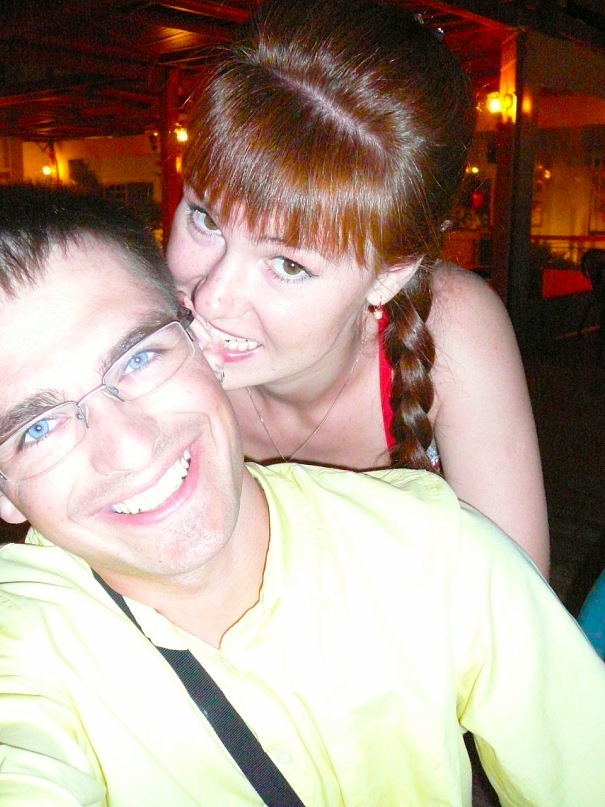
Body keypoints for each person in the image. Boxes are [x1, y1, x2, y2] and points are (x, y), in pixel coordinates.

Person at [1, 184, 604, 807]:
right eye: (37, 428)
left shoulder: (436, 549)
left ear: (194, 343)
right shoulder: (20, 648)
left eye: (137, 359)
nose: (128, 448)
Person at [167, 0, 550, 576]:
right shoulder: (141, 334)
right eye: (205, 219)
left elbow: (518, 602)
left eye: (289, 265)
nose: (212, 298)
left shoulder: (452, 326)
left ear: (390, 274)